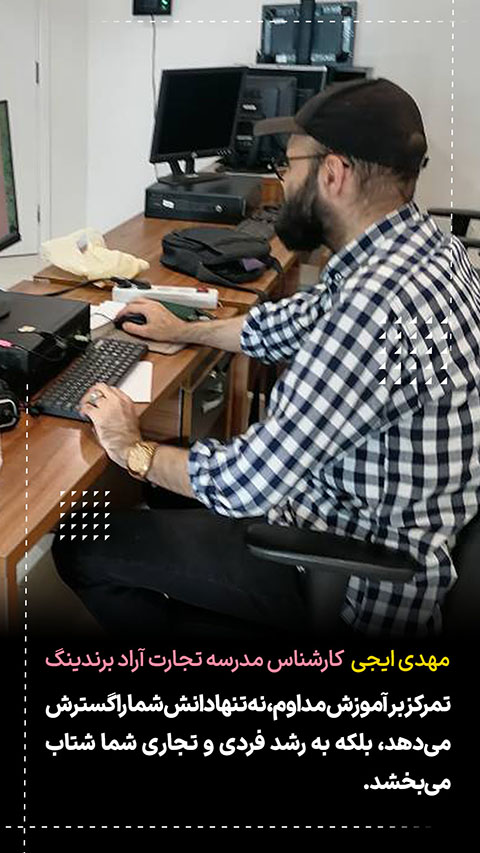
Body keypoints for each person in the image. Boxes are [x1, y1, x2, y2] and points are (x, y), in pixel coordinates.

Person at [52, 78, 480, 637]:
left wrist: (133, 448)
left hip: (345, 575)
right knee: (163, 481)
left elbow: (246, 483)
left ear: (333, 173)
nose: (282, 179)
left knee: (80, 543)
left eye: (289, 165)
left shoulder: (374, 308)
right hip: (368, 513)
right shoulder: (424, 251)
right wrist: (188, 328)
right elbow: (292, 323)